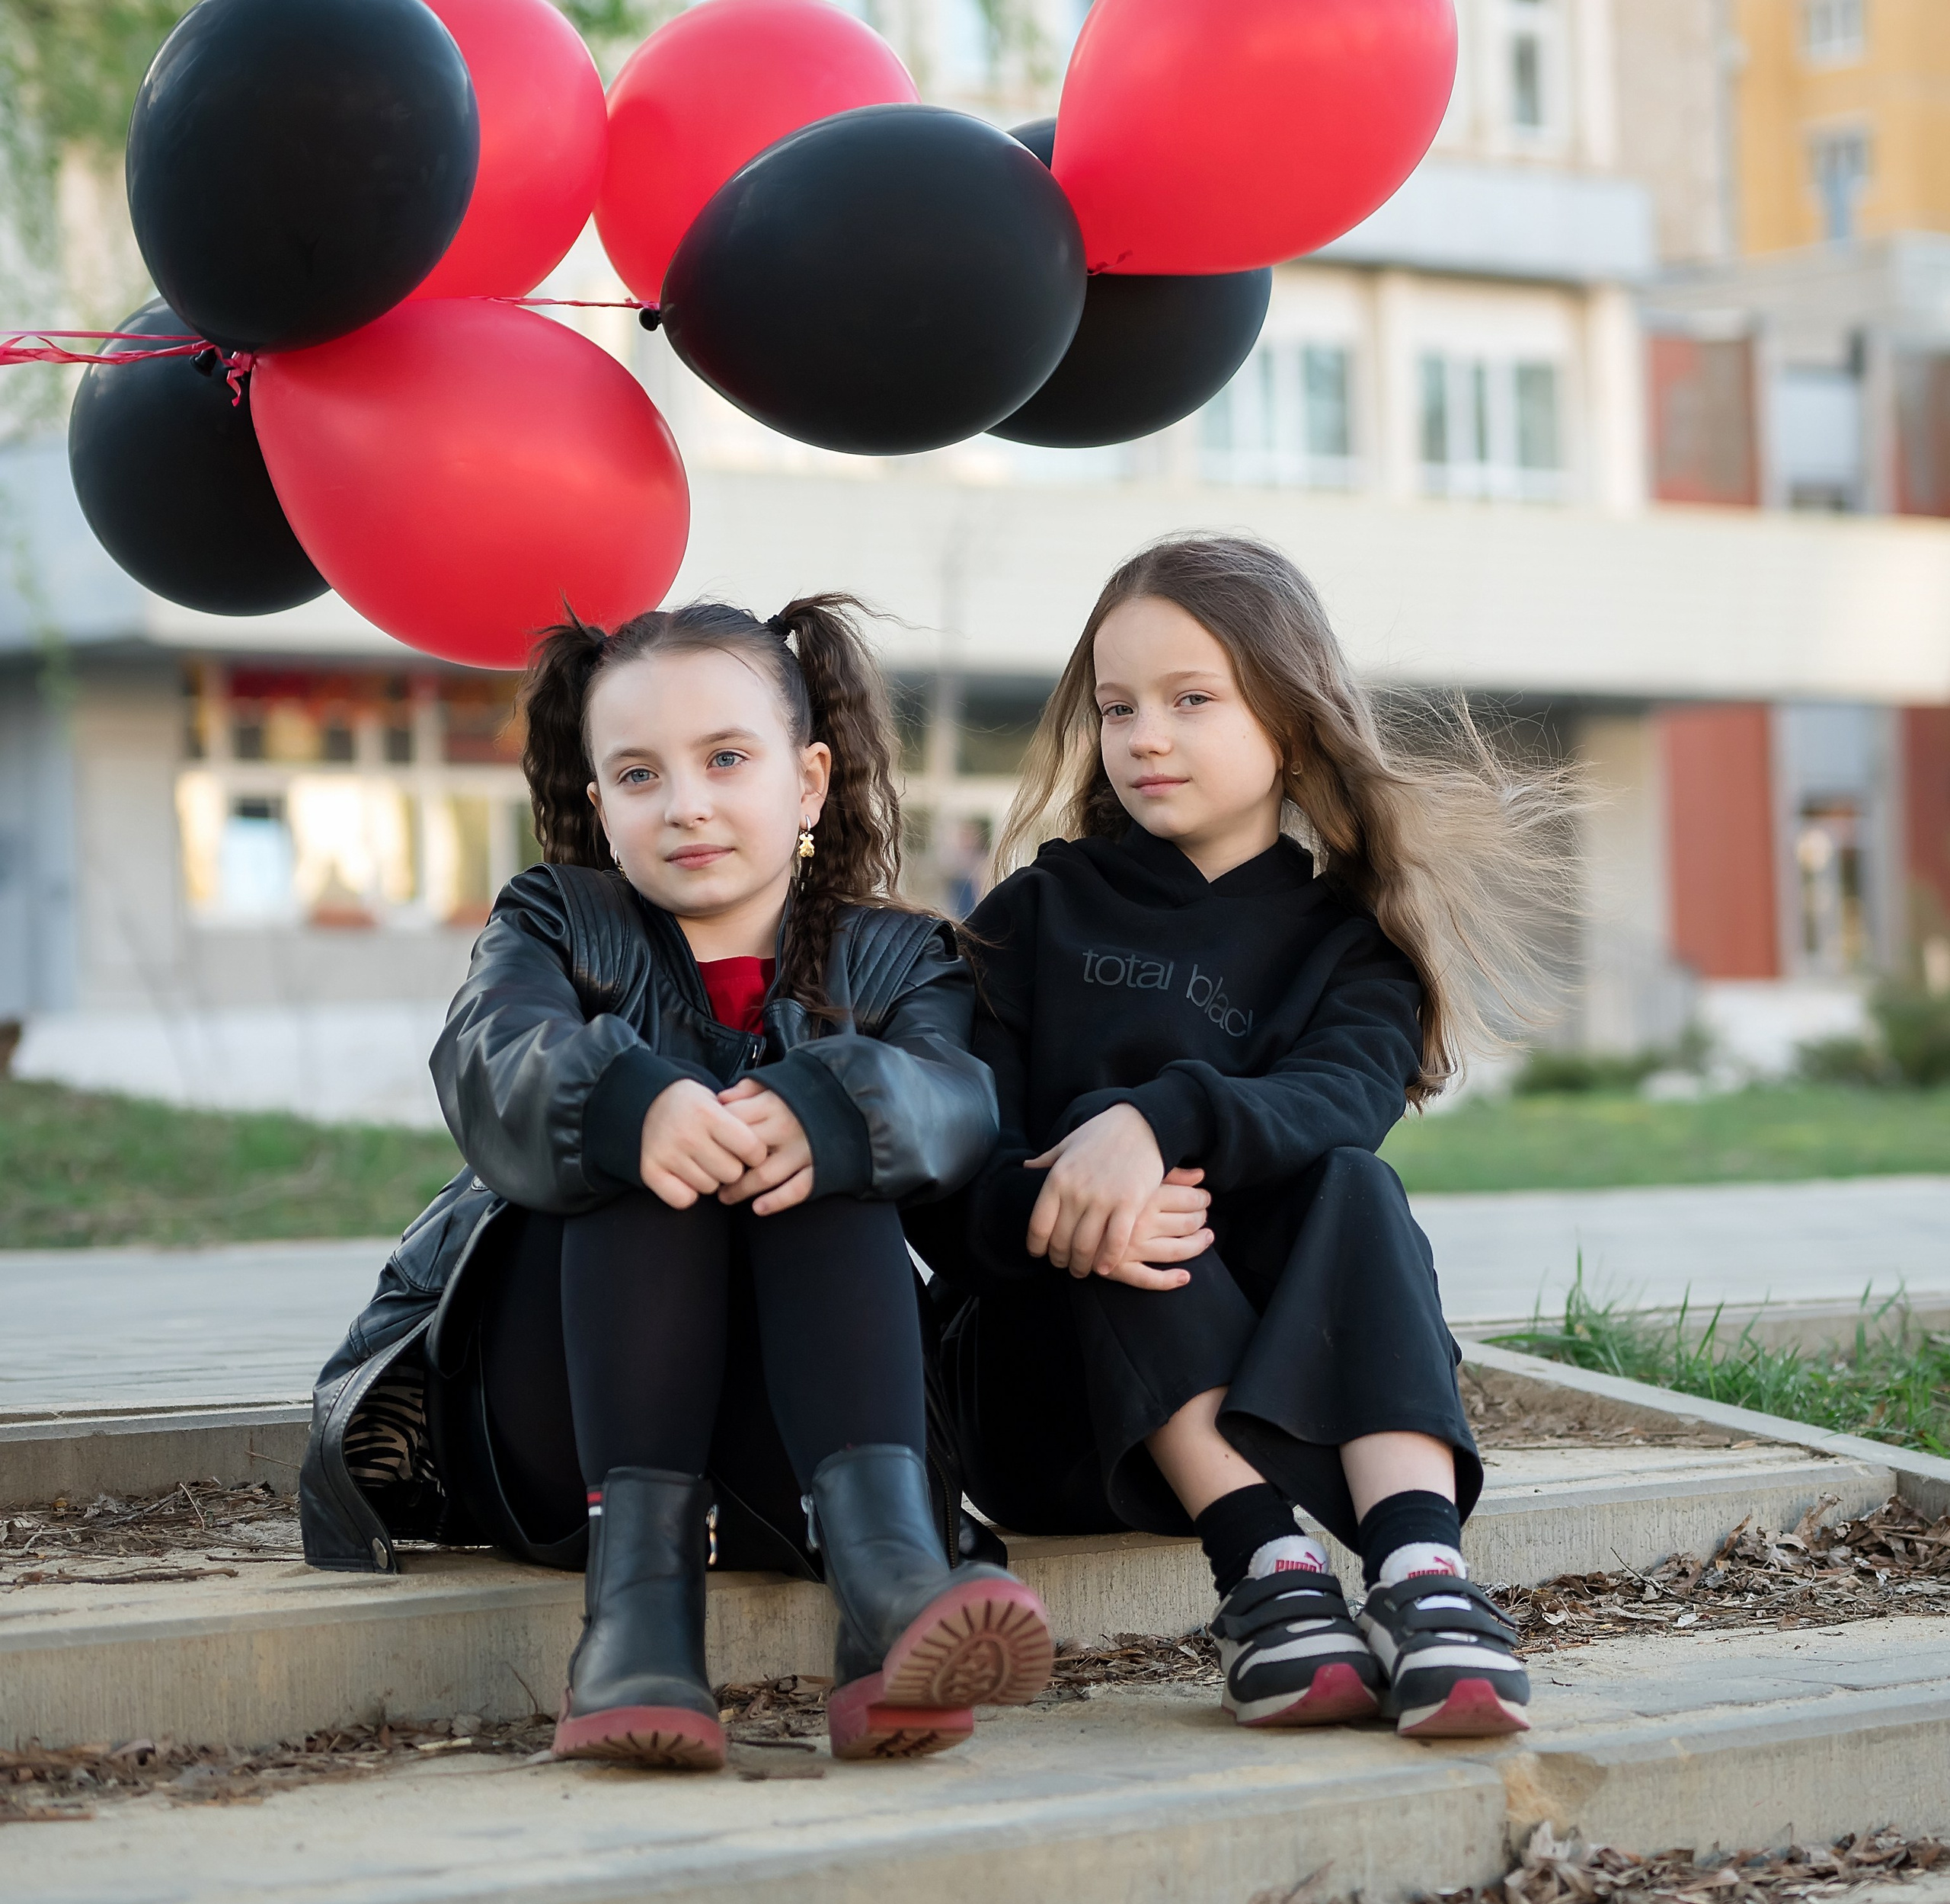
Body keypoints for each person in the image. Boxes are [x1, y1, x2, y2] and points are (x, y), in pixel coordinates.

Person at [299, 598, 1052, 1771]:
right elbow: (490, 1056)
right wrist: (630, 1107)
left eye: (727, 760)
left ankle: (894, 1588)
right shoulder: (552, 921)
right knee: (647, 1129)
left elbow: (956, 1103)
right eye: (641, 775)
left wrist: (831, 1112)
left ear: (808, 781)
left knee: (826, 1129)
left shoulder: (899, 957)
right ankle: (636, 1629)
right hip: (565, 1429)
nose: (687, 803)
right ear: (601, 806)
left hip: (798, 1442)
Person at [913, 535, 1571, 1740]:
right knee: (1116, 1195)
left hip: (1278, 1405)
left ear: (1289, 717)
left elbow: (1338, 1101)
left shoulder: (1350, 951)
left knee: (1353, 1187)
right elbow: (943, 1170)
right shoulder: (1031, 919)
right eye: (1118, 707)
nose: (1144, 736)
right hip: (1051, 1416)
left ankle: (1422, 1575)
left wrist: (1153, 1119)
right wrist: (1065, 1203)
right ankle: (1268, 1575)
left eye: (1190, 699)